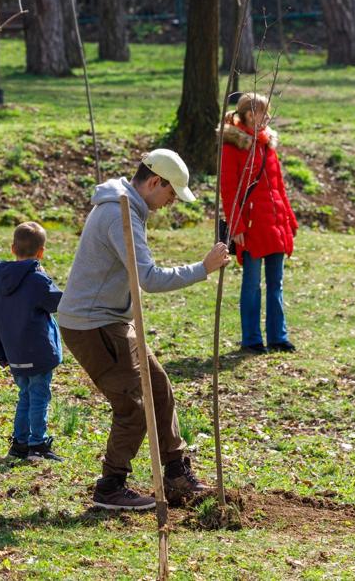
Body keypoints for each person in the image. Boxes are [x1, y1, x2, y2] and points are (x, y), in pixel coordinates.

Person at [58, 149, 230, 511]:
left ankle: (175, 472)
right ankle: (110, 486)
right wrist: (203, 268)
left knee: (158, 387)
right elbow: (148, 278)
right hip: (93, 325)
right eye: (171, 194)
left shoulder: (129, 207)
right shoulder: (118, 214)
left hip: (114, 320)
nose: (171, 202)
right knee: (134, 406)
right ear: (155, 182)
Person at [219, 92, 298, 354]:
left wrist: (290, 219)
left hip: (275, 223)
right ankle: (251, 338)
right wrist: (237, 226)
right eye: (264, 112)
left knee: (276, 283)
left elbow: (279, 187)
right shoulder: (233, 147)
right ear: (251, 114)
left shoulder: (267, 145)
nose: (268, 117)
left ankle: (278, 336)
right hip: (252, 226)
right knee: (252, 285)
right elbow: (229, 190)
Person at [0, 222, 65, 462]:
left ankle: (20, 443)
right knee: (39, 396)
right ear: (41, 252)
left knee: (25, 396)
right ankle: (38, 443)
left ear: (13, 248)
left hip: (15, 353)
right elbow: (58, 303)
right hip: (39, 352)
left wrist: (0, 354)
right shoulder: (37, 281)